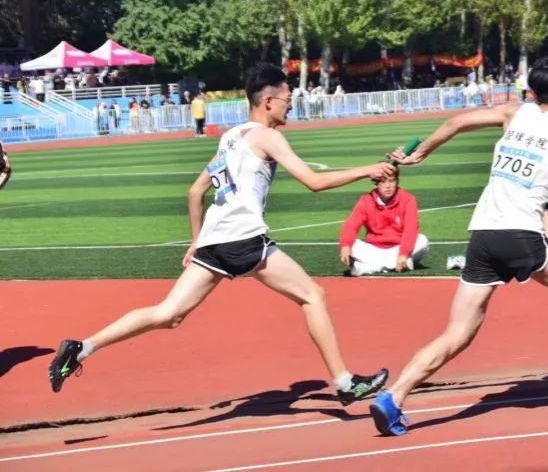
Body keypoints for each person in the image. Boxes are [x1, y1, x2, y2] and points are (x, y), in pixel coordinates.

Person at [48, 63, 394, 407]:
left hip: (214, 240)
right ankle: (345, 383)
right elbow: (313, 181)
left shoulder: (230, 137)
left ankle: (82, 348)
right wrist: (369, 169)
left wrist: (196, 241)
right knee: (313, 296)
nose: (291, 105)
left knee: (168, 314)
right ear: (268, 101)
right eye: (287, 99)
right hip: (243, 238)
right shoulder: (268, 136)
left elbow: (195, 191)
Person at [368, 57, 548, 437]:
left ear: (533, 91)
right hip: (521, 234)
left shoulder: (514, 112)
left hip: (483, 236)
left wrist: (422, 152)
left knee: (458, 332)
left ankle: (393, 397)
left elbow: (457, 122)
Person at [339, 168, 429, 276]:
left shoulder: (408, 199)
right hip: (374, 249)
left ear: (397, 181)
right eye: (383, 182)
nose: (388, 186)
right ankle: (393, 265)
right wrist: (345, 246)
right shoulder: (366, 200)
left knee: (422, 240)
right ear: (376, 183)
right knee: (350, 244)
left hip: (399, 248)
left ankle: (369, 267)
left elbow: (411, 229)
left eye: (391, 181)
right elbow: (351, 225)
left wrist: (403, 254)